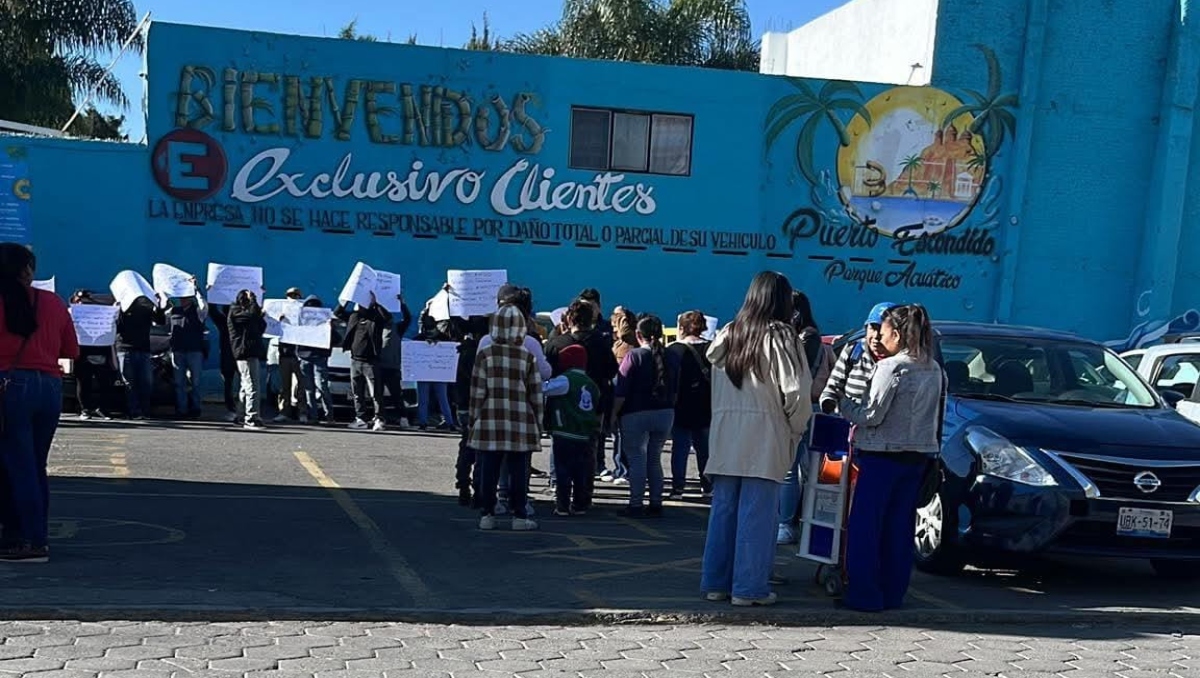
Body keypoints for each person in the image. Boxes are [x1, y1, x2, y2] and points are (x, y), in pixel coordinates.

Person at [700, 271, 812, 607]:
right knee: (758, 515)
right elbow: (796, 391)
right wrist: (797, 427)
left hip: (725, 433)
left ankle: (716, 582)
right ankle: (749, 588)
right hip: (766, 433)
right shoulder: (781, 336)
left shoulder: (728, 334)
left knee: (723, 512)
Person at [838, 304, 946, 613]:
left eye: (883, 333)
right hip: (917, 456)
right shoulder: (933, 368)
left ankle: (863, 595)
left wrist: (846, 405)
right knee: (899, 531)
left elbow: (872, 415)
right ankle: (893, 592)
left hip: (881, 455)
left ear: (896, 334)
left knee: (865, 528)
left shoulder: (891, 367)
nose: (879, 339)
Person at [0, 243, 79, 562]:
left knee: (15, 465)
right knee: (32, 465)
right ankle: (26, 534)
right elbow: (71, 351)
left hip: (9, 385)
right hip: (49, 386)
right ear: (27, 270)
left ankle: (30, 539)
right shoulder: (52, 302)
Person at [468, 305, 545, 531]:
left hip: (490, 419)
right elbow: (535, 394)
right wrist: (538, 424)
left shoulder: (485, 355)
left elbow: (477, 392)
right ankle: (519, 515)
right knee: (518, 472)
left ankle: (487, 514)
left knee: (489, 470)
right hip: (520, 421)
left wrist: (473, 419)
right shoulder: (527, 356)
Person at [612, 314, 680, 518]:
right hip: (665, 413)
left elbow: (621, 390)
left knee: (636, 459)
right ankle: (656, 501)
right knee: (654, 458)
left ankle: (635, 503)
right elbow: (676, 390)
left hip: (636, 413)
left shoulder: (634, 356)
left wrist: (613, 415)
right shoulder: (672, 356)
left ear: (638, 334)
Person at [777, 291, 824, 545]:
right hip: (806, 407)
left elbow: (796, 372)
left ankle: (786, 523)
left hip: (801, 408)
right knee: (801, 469)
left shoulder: (807, 338)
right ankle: (795, 518)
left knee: (789, 469)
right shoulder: (809, 336)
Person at [543, 344, 601, 516]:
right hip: (584, 434)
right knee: (581, 471)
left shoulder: (565, 379)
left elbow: (544, 389)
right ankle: (580, 504)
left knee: (563, 470)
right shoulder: (592, 384)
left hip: (565, 431)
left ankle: (562, 504)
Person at [819, 302, 897, 415]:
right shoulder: (854, 350)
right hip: (848, 423)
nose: (876, 336)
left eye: (882, 330)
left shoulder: (901, 362)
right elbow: (833, 387)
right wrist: (829, 403)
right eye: (873, 328)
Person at [667, 311, 712, 499]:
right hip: (706, 405)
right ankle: (708, 485)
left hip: (681, 406)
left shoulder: (674, 350)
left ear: (682, 328)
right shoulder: (712, 348)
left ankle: (678, 488)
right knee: (705, 449)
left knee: (680, 449)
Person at [335, 293, 392, 431]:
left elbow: (387, 318)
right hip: (355, 361)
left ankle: (379, 418)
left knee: (375, 393)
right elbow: (338, 313)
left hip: (370, 362)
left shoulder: (376, 318)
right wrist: (346, 300)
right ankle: (361, 418)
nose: (361, 305)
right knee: (357, 392)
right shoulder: (354, 317)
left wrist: (376, 302)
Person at [161, 280, 207, 418]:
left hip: (194, 351)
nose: (182, 300)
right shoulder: (174, 311)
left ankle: (195, 409)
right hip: (177, 351)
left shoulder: (198, 312)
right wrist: (164, 296)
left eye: (185, 297)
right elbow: (161, 315)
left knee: (195, 382)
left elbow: (204, 306)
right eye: (181, 297)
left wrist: (197, 290)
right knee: (179, 383)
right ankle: (181, 410)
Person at [68, 290, 117, 421]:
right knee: (84, 383)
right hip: (82, 353)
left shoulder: (101, 314)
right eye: (79, 301)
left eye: (84, 301)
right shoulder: (71, 314)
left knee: (105, 383)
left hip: (101, 352)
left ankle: (104, 409)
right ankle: (85, 409)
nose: (82, 304)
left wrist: (116, 310)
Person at [115, 295, 161, 420]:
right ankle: (134, 411)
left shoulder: (145, 310)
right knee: (130, 382)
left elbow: (159, 320)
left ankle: (145, 411)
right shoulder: (121, 311)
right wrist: (117, 311)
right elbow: (117, 327)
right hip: (125, 349)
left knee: (146, 382)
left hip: (143, 349)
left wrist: (158, 305)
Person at [227, 289, 268, 430]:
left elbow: (261, 326)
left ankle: (240, 415)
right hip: (245, 353)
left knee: (246, 385)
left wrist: (260, 315)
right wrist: (254, 302)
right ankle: (251, 418)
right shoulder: (235, 312)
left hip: (250, 352)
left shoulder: (248, 315)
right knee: (252, 386)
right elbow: (251, 316)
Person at [416, 297, 458, 431]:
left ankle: (446, 422)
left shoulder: (423, 338)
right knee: (432, 399)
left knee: (436, 398)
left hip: (431, 372)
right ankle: (443, 422)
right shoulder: (440, 337)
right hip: (436, 372)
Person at [376, 294, 414, 427]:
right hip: (378, 367)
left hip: (392, 368)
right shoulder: (374, 329)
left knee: (396, 395)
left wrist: (403, 304)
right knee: (378, 396)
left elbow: (408, 319)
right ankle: (380, 419)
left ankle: (403, 418)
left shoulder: (397, 328)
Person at [297, 296, 334, 425]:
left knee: (315, 387)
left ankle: (320, 416)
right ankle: (324, 416)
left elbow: (335, 339)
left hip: (311, 356)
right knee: (317, 387)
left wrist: (330, 328)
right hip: (312, 356)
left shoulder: (303, 320)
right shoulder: (300, 321)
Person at [274, 287, 308, 423]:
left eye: (295, 295)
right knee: (284, 385)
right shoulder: (281, 312)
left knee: (301, 386)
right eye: (290, 295)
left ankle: (302, 412)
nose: (292, 298)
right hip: (285, 354)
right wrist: (279, 320)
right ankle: (284, 412)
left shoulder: (304, 313)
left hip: (299, 354)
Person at [206, 300, 240, 423]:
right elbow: (213, 311)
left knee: (231, 384)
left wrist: (213, 296)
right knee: (232, 384)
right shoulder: (227, 321)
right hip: (235, 355)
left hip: (233, 356)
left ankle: (236, 410)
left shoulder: (226, 322)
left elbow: (212, 310)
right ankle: (236, 409)